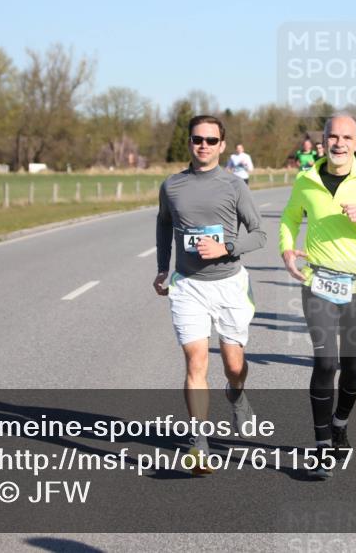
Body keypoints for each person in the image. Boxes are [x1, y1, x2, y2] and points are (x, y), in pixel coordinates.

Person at [279, 114, 356, 479]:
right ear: (323, 139)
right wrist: (287, 249)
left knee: (352, 366)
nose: (339, 143)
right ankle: (320, 447)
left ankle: (340, 422)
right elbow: (289, 218)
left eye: (346, 137)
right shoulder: (306, 179)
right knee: (326, 363)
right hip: (318, 282)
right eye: (333, 136)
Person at [154, 115, 267, 473]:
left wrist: (226, 247)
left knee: (234, 366)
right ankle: (198, 444)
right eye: (196, 139)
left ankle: (236, 393)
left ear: (221, 145)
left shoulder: (234, 186)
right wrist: (162, 267)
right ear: (189, 142)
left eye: (210, 140)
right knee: (196, 363)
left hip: (230, 284)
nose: (202, 145)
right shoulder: (172, 186)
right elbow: (163, 225)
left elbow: (259, 234)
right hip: (188, 285)